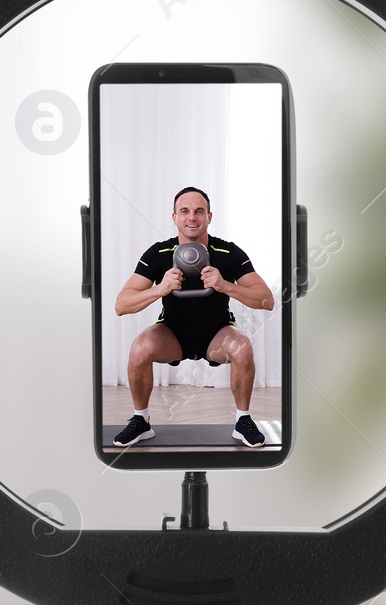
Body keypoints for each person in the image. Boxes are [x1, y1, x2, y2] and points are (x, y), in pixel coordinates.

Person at [110, 186, 273, 448]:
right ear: (174, 217)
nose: (192, 217)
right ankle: (141, 420)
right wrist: (160, 288)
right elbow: (121, 304)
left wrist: (225, 285)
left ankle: (243, 421)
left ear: (210, 216)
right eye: (184, 211)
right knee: (140, 348)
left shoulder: (229, 253)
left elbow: (267, 300)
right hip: (172, 335)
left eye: (199, 211)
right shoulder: (159, 253)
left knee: (242, 348)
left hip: (217, 335)